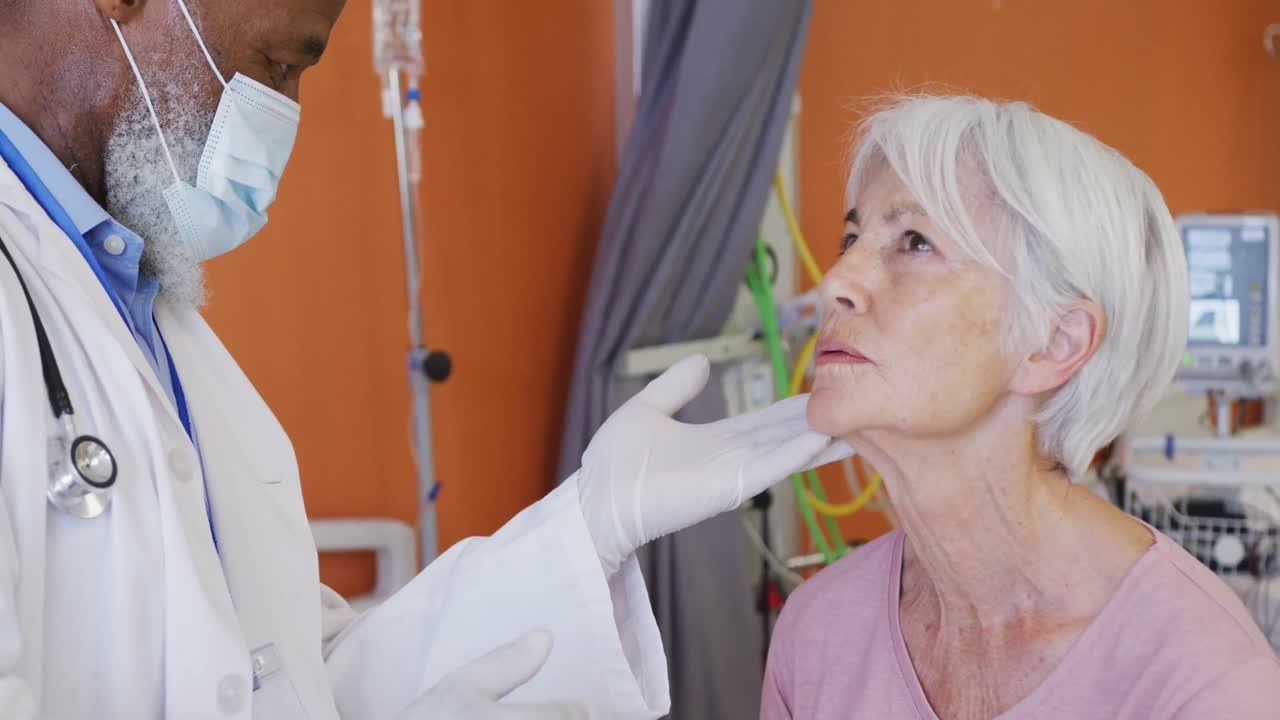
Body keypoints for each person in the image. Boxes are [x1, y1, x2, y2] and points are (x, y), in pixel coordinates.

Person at [0, 1, 847, 718]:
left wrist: (586, 526)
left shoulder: (139, 308)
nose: (281, 109)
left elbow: (287, 673)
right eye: (277, 62)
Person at [761, 94, 1280, 719]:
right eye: (852, 236)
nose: (837, 278)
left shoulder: (1205, 683)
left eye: (915, 242)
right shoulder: (819, 631)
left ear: (1053, 342)